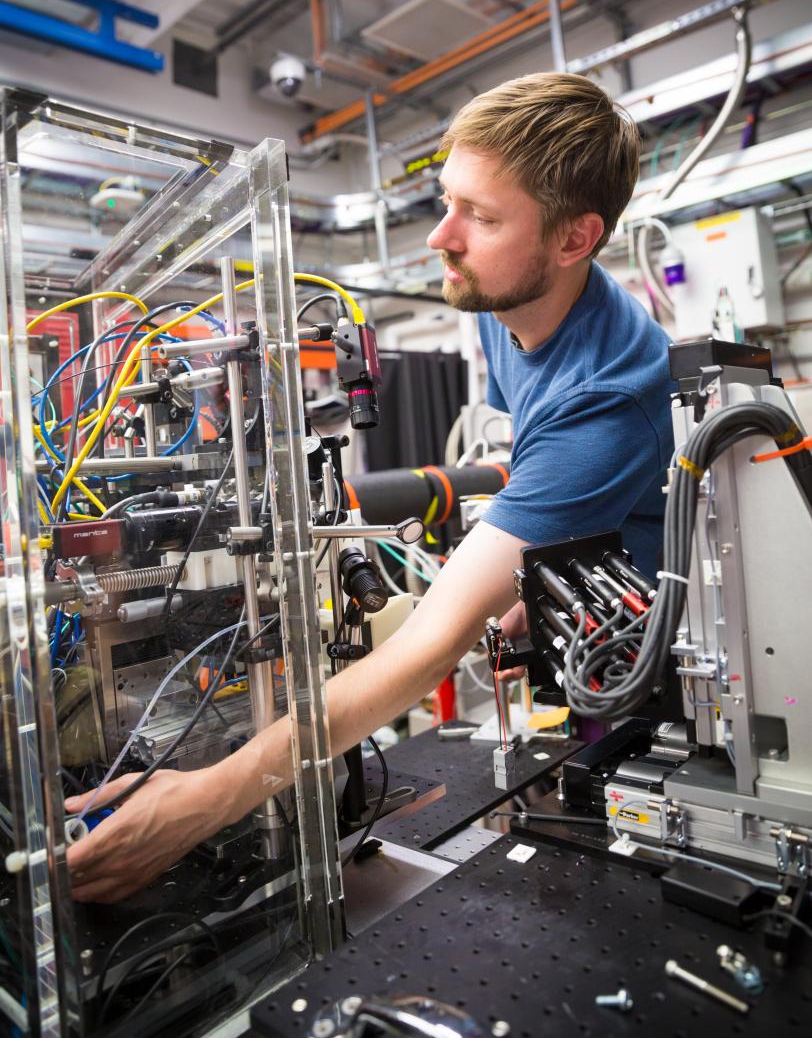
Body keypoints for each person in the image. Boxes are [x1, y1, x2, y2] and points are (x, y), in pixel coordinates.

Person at [66, 72, 673, 902]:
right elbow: (536, 467)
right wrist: (532, 565)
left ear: (575, 240)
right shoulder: (513, 309)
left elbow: (430, 650)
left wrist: (207, 798)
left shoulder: (605, 400)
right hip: (583, 608)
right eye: (448, 200)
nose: (440, 238)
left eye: (483, 218)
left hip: (649, 661)